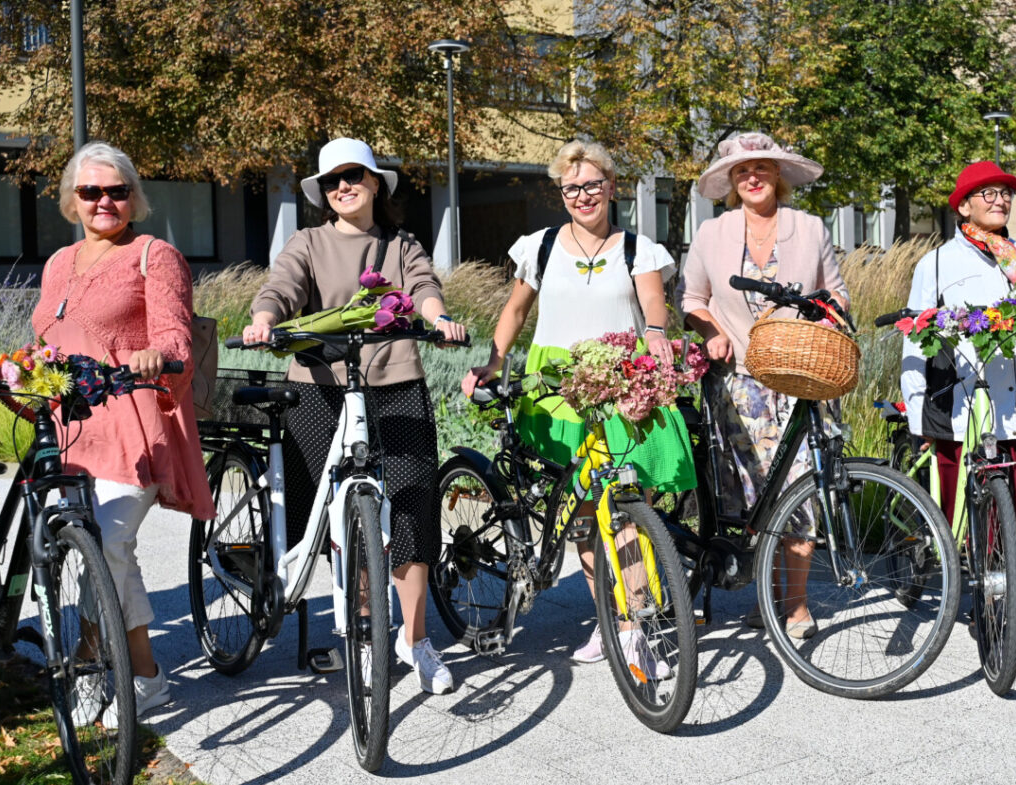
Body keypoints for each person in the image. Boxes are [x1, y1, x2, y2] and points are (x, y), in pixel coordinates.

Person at [245, 138, 466, 695]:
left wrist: (438, 319)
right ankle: (365, 635)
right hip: (320, 387)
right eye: (333, 181)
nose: (344, 187)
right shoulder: (309, 241)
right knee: (347, 517)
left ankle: (414, 641)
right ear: (324, 193)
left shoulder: (401, 243)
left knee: (413, 510)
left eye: (355, 177)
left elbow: (422, 289)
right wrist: (265, 318)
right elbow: (283, 286)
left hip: (394, 384)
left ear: (375, 185)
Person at [462, 140, 689, 671]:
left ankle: (635, 625)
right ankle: (611, 618)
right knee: (584, 513)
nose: (582, 195)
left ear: (612, 187)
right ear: (560, 193)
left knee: (626, 509)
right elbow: (515, 310)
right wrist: (492, 364)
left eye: (592, 184)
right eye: (571, 188)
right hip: (558, 388)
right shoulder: (539, 247)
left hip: (619, 385)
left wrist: (656, 337)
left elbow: (654, 308)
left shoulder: (638, 249)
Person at [31, 141, 215, 727]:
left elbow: (175, 334)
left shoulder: (152, 255)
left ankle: (101, 662)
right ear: (72, 202)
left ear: (134, 197)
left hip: (133, 421)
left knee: (107, 540)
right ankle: (143, 677)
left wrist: (157, 354)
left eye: (116, 191)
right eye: (91, 192)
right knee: (105, 551)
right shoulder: (58, 263)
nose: (104, 201)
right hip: (71, 430)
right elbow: (46, 346)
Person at [899, 161, 1016, 641]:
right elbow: (915, 342)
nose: (1000, 200)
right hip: (964, 411)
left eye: (1005, 193)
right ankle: (986, 597)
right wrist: (918, 415)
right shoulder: (936, 263)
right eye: (988, 193)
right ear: (964, 205)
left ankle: (1013, 603)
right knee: (976, 517)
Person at [681, 132, 848, 638]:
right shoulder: (713, 233)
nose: (752, 177)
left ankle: (792, 605)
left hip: (800, 377)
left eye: (762, 168)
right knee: (750, 497)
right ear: (732, 182)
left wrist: (827, 324)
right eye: (741, 171)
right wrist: (709, 332)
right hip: (738, 386)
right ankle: (762, 598)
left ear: (778, 175)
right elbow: (691, 298)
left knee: (802, 491)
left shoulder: (810, 227)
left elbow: (836, 296)